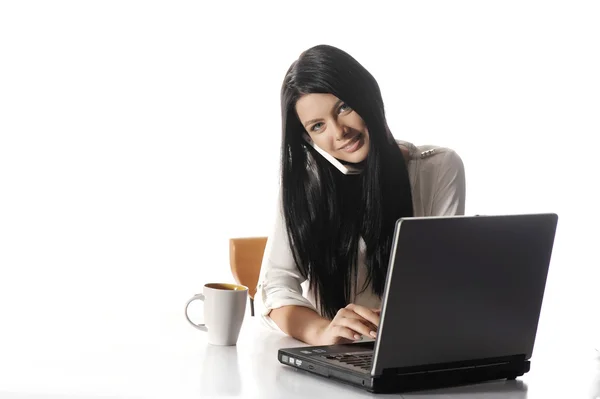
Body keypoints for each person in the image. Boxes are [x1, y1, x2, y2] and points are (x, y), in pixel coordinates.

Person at [254, 44, 466, 346]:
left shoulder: (438, 167)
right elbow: (275, 284)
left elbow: (444, 280)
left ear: (367, 96)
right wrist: (321, 331)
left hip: (414, 345)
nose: (339, 132)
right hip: (339, 356)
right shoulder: (306, 185)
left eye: (343, 107)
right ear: (308, 138)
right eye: (318, 126)